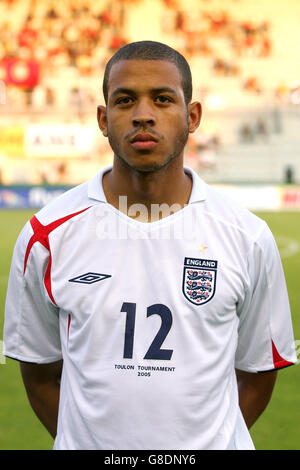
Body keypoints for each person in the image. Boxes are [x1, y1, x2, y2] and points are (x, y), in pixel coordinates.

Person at [3, 40, 297, 450]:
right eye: (125, 101)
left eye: (162, 99)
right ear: (103, 119)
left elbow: (258, 371)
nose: (143, 115)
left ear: (192, 116)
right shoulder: (47, 236)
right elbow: (39, 374)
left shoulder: (247, 237)